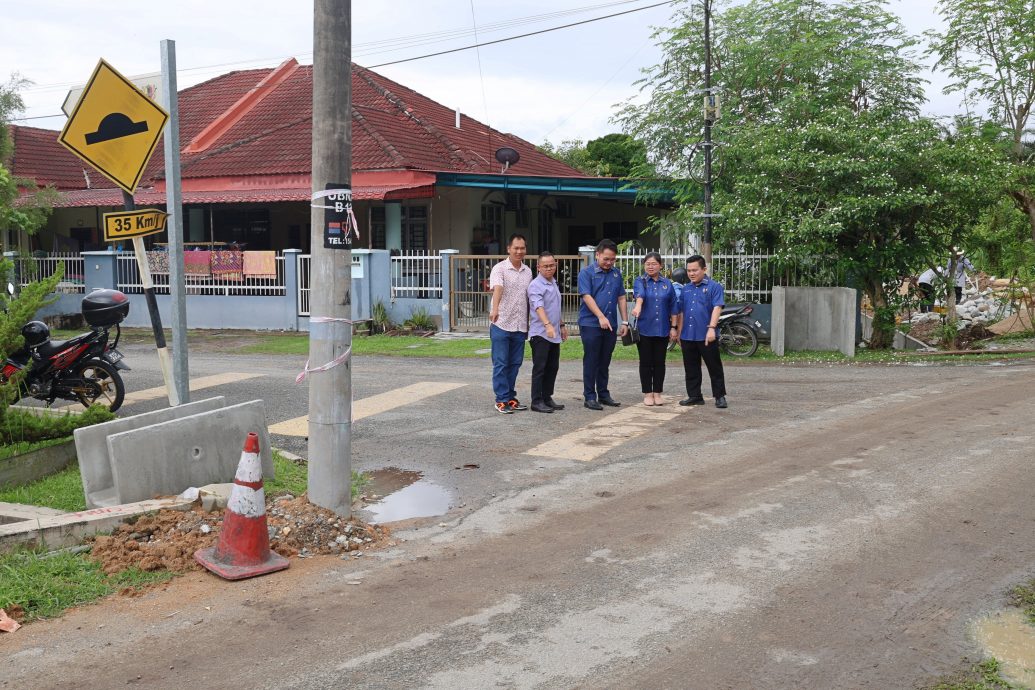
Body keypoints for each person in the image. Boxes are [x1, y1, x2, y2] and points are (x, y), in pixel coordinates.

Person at [577, 239, 629, 410]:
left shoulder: (616, 274)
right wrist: (600, 316)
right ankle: (589, 396)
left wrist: (625, 321)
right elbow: (586, 296)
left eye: (612, 259)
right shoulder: (586, 273)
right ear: (597, 255)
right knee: (592, 359)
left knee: (605, 360)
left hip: (611, 324)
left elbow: (621, 297)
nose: (609, 263)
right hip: (591, 323)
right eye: (606, 259)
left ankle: (604, 394)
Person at [676, 254, 728, 409]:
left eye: (695, 270)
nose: (691, 273)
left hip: (706, 335)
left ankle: (720, 396)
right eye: (689, 270)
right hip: (688, 335)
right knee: (691, 367)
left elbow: (717, 308)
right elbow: (681, 312)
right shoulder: (685, 289)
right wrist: (679, 332)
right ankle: (695, 396)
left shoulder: (714, 287)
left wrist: (711, 329)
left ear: (704, 269)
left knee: (714, 366)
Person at [489, 234, 532, 414]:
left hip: (520, 324)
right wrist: (495, 308)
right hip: (501, 322)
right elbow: (498, 287)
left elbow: (529, 296)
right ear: (508, 249)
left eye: (522, 248)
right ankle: (501, 400)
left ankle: (510, 397)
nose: (519, 251)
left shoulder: (528, 271)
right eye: (516, 248)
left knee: (515, 363)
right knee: (500, 363)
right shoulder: (499, 268)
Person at [630, 252, 679, 406]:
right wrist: (638, 306)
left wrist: (674, 327)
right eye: (647, 264)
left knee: (659, 362)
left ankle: (657, 393)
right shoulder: (640, 281)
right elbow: (640, 295)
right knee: (645, 362)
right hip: (644, 328)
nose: (650, 267)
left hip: (663, 329)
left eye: (654, 264)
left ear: (660, 265)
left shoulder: (667, 284)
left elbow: (674, 306)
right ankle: (647, 393)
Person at [527, 252, 568, 413]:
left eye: (552, 265)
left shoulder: (553, 283)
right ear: (538, 267)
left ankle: (547, 397)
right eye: (545, 266)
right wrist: (548, 325)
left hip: (554, 333)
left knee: (553, 367)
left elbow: (555, 308)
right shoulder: (535, 285)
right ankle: (536, 401)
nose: (549, 268)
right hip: (541, 334)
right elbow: (539, 307)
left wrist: (561, 325)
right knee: (540, 368)